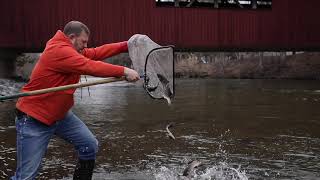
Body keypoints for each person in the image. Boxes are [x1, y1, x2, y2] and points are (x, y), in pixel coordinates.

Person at [11, 21, 140, 180]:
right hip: (34, 119)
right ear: (72, 37)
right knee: (26, 176)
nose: (85, 46)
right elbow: (90, 66)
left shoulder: (72, 49)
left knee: (89, 146)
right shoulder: (59, 51)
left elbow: (96, 53)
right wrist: (124, 70)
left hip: (60, 116)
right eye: (83, 42)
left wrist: (125, 45)